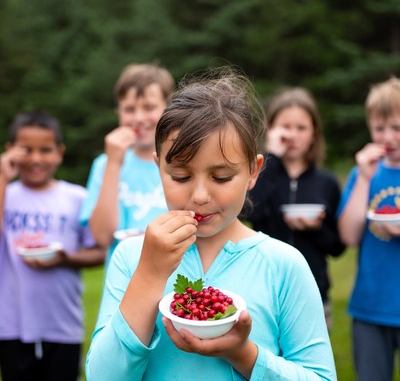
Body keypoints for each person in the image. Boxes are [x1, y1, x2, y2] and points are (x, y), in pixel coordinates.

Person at [85, 68, 337, 380]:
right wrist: (150, 274)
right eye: (180, 176)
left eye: (221, 177)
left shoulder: (283, 265)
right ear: (157, 167)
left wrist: (243, 354)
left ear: (253, 171)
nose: (200, 196)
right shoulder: (132, 257)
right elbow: (103, 375)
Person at [0, 112, 105, 381]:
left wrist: (64, 258)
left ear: (59, 153)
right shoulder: (6, 195)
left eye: (45, 150)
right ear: (10, 150)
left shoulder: (77, 197)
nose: (36, 158)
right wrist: (2, 177)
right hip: (10, 326)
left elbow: (99, 251)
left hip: (63, 325)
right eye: (26, 150)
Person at [241, 87, 345, 331]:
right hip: (264, 288)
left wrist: (315, 229)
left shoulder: (326, 182)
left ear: (314, 133)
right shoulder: (261, 174)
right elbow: (247, 213)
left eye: (301, 128)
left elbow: (338, 246)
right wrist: (272, 158)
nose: (293, 135)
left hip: (313, 291)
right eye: (285, 127)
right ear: (272, 130)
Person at [79, 63, 175, 264]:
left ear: (168, 108)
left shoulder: (181, 162)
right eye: (129, 109)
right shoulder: (104, 164)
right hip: (120, 280)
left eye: (149, 107)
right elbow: (102, 237)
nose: (139, 118)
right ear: (118, 113)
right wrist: (113, 163)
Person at [337, 76, 400, 381]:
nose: (388, 137)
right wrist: (363, 177)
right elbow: (349, 235)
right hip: (370, 306)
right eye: (379, 128)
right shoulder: (363, 173)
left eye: (397, 128)